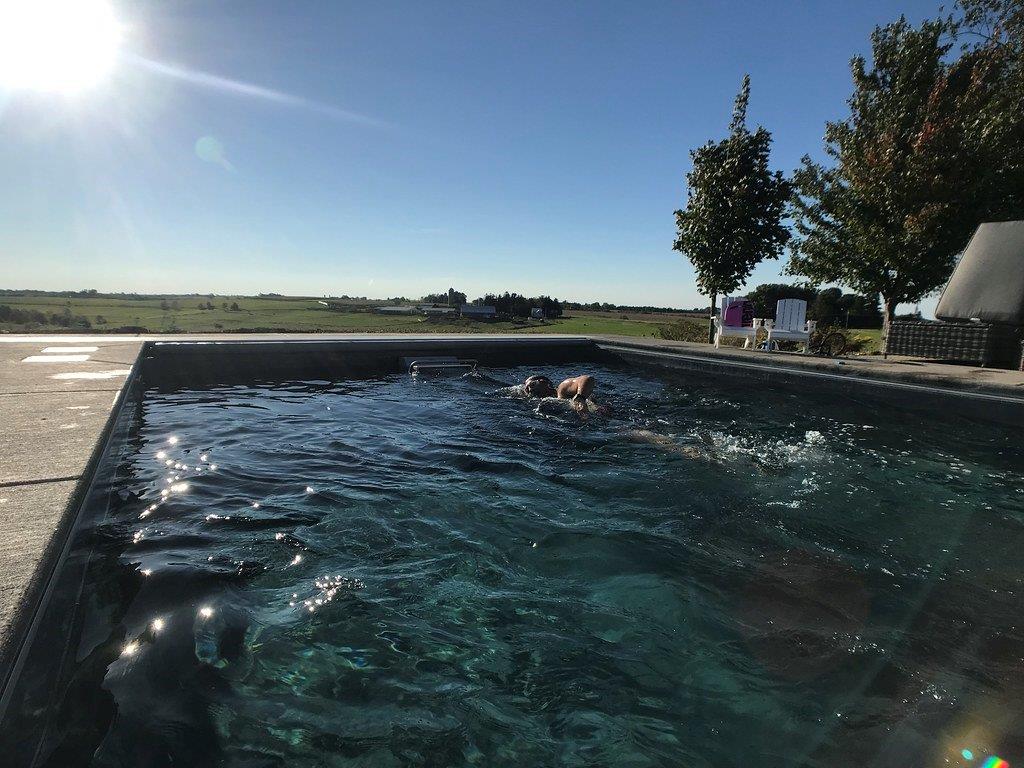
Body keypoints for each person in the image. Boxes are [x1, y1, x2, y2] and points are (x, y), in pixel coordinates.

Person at [523, 374, 609, 417]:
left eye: (532, 385)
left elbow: (587, 379)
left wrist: (580, 399)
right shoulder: (544, 404)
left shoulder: (562, 389)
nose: (530, 390)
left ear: (542, 381)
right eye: (527, 390)